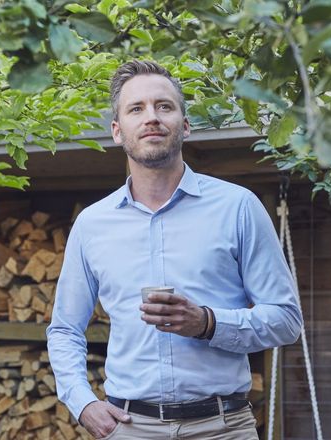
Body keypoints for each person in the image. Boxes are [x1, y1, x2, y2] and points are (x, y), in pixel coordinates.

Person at [45, 60, 303, 439]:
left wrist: (207, 324)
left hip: (223, 427)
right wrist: (81, 402)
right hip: (131, 428)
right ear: (117, 131)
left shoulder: (238, 207)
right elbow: (65, 329)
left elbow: (286, 320)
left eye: (164, 106)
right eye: (137, 109)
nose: (151, 117)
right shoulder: (92, 225)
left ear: (184, 125)